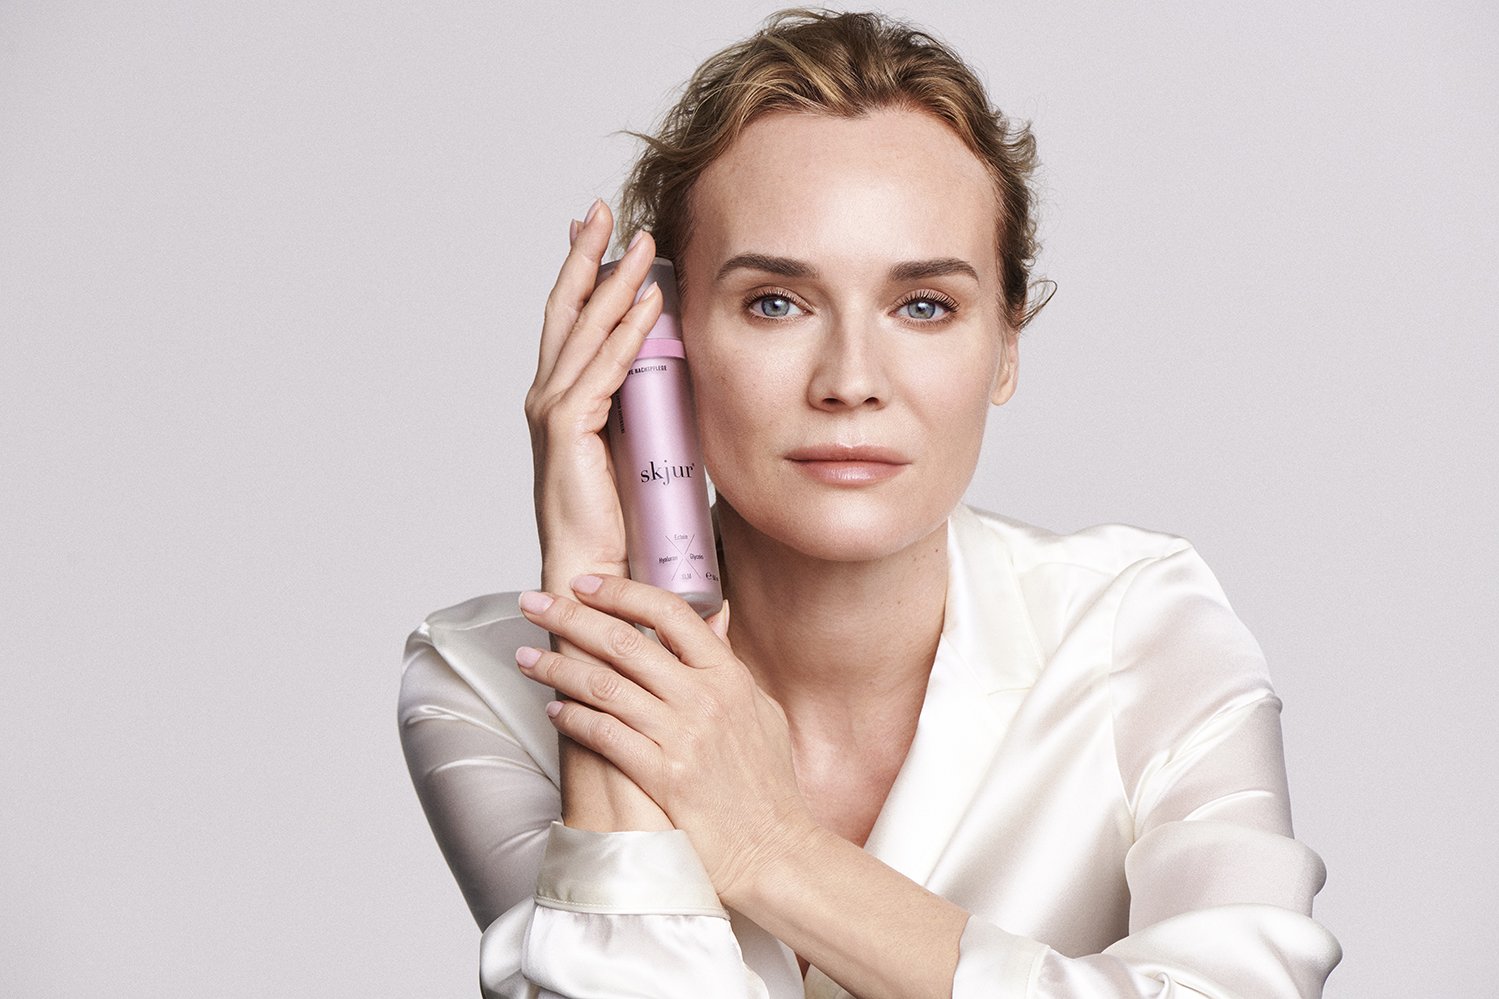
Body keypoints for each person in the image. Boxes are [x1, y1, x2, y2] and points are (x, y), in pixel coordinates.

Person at [398, 9, 1341, 997]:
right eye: (774, 302)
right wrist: (597, 596)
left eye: (922, 305)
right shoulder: (483, 683)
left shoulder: (1140, 632)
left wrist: (771, 847)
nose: (850, 380)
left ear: (1005, 342)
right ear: (655, 343)